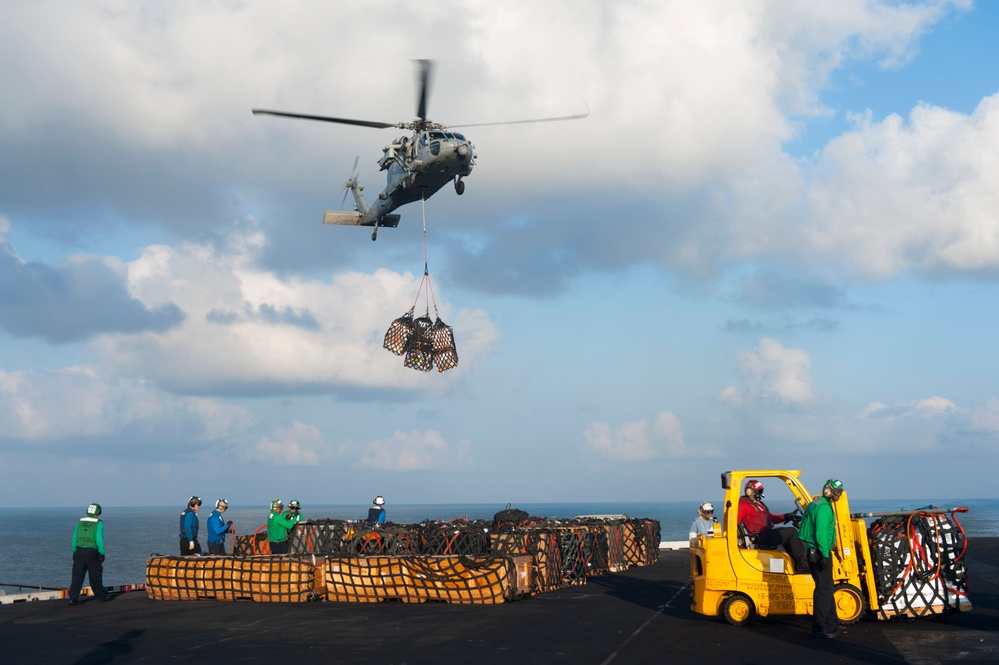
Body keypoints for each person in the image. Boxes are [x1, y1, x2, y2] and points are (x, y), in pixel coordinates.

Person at [800, 478, 845, 638]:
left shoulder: (816, 503)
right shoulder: (825, 508)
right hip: (820, 552)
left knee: (826, 588)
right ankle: (820, 627)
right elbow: (820, 532)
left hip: (813, 550)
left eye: (840, 492)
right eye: (837, 492)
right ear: (828, 490)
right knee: (823, 590)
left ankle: (831, 624)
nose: (838, 495)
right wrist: (825, 555)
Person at [737, 479, 809, 573]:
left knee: (786, 535)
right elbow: (734, 520)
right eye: (759, 491)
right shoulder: (744, 505)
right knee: (792, 532)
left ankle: (796, 564)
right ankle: (802, 564)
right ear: (750, 491)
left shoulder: (757, 505)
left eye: (761, 491)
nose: (760, 494)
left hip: (765, 534)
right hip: (760, 536)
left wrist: (786, 516)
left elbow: (770, 518)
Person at [68, 503, 108, 605]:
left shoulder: (80, 521)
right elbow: (99, 539)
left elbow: (74, 537)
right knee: (95, 575)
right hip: (92, 552)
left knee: (77, 576)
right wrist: (102, 553)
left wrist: (74, 550)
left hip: (79, 551)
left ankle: (73, 598)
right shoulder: (98, 523)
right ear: (98, 512)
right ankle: (100, 596)